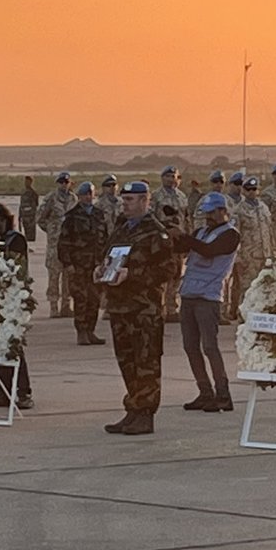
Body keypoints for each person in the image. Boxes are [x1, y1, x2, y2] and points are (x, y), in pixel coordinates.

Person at [95, 181, 175, 436]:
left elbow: (169, 270)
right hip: (120, 307)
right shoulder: (121, 230)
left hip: (144, 310)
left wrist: (133, 274)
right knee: (126, 361)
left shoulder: (157, 233)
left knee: (146, 362)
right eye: (124, 200)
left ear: (144, 201)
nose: (125, 204)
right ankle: (133, 409)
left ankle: (146, 414)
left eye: (130, 200)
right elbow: (109, 255)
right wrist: (101, 269)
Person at [172, 192, 240, 412]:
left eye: (211, 213)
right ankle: (204, 391)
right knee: (190, 347)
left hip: (208, 297)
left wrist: (184, 236)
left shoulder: (230, 235)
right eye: (206, 213)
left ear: (223, 211)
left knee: (210, 347)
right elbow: (181, 248)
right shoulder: (201, 231)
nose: (208, 217)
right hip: (190, 293)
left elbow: (209, 251)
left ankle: (223, 394)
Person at [0, 208, 36, 411]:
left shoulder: (15, 239)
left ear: (2, 220)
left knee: (13, 346)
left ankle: (23, 392)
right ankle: (5, 391)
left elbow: (12, 265)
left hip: (13, 299)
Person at [58, 181, 108, 345]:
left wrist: (106, 260)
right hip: (78, 265)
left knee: (94, 299)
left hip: (96, 265)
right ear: (79, 196)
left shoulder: (99, 215)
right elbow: (64, 242)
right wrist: (68, 264)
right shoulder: (72, 216)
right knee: (81, 299)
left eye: (90, 194)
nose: (88, 197)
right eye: (84, 194)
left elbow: (105, 239)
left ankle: (91, 331)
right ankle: (81, 331)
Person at [229, 176, 273, 320]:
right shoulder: (239, 210)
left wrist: (273, 253)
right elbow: (234, 237)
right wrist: (238, 258)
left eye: (254, 189)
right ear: (243, 190)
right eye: (248, 189)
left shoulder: (264, 208)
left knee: (264, 287)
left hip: (265, 255)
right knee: (247, 288)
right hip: (248, 256)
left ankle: (260, 316)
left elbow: (269, 231)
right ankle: (244, 317)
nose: (252, 192)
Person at [151, 166, 191, 322]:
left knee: (176, 275)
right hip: (163, 241)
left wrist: (188, 241)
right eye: (167, 176)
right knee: (162, 275)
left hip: (178, 242)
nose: (170, 179)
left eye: (173, 176)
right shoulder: (156, 196)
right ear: (162, 178)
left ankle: (172, 308)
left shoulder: (182, 197)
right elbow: (151, 219)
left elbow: (186, 219)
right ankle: (159, 308)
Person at [36, 171, 77, 318]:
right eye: (61, 182)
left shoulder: (73, 199)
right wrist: (51, 230)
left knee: (68, 277)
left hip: (69, 244)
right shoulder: (51, 198)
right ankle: (53, 306)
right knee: (54, 276)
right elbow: (40, 218)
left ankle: (66, 306)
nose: (64, 185)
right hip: (55, 245)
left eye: (66, 182)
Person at [19, 175, 39, 241]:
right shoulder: (23, 192)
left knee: (31, 235)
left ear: (31, 182)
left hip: (30, 216)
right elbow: (21, 204)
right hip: (24, 216)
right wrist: (20, 216)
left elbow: (36, 204)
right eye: (25, 181)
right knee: (25, 233)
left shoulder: (33, 193)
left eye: (27, 182)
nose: (26, 183)